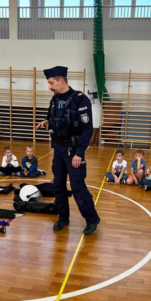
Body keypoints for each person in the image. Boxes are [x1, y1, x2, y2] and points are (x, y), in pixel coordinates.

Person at [36, 66, 100, 235]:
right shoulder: (55, 99)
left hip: (74, 151)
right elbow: (54, 119)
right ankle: (63, 217)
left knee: (78, 187)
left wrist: (79, 153)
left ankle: (92, 219)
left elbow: (87, 129)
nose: (49, 87)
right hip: (58, 149)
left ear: (61, 80)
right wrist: (47, 122)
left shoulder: (80, 99)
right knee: (58, 185)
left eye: (51, 83)